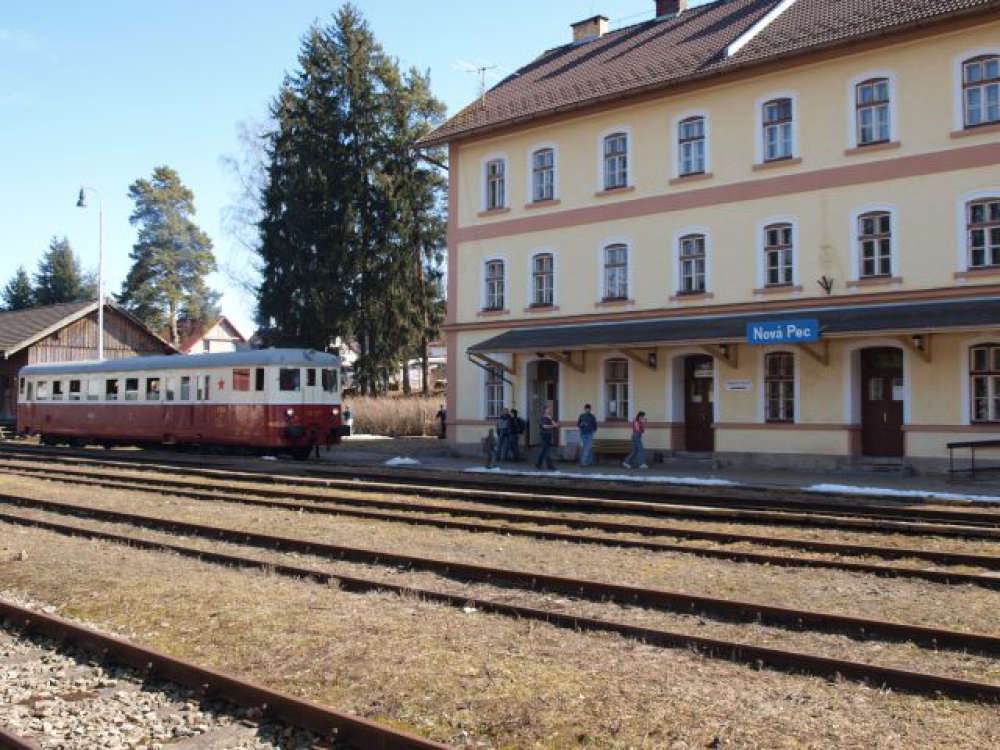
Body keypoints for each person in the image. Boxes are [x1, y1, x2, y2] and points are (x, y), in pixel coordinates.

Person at [535, 405, 557, 471]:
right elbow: (544, 426)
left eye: (549, 409)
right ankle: (549, 466)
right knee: (547, 450)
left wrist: (551, 419)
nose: (549, 410)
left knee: (544, 450)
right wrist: (552, 426)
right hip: (544, 435)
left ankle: (538, 464)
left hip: (549, 435)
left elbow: (555, 425)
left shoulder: (550, 417)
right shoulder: (542, 418)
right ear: (545, 410)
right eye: (548, 409)